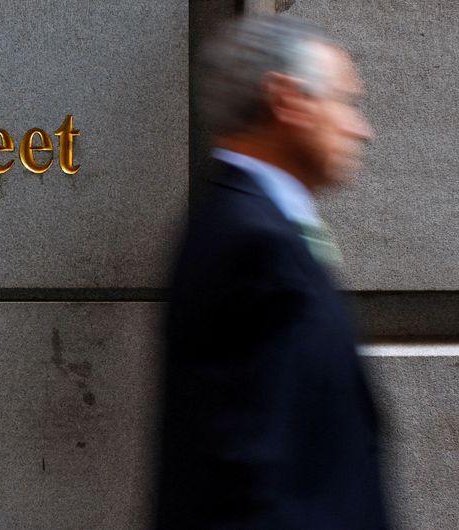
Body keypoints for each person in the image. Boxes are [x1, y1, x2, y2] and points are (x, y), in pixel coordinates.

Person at [156, 15, 388, 529]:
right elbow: (243, 466)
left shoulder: (250, 223)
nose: (360, 129)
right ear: (288, 99)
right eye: (345, 102)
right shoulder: (251, 240)